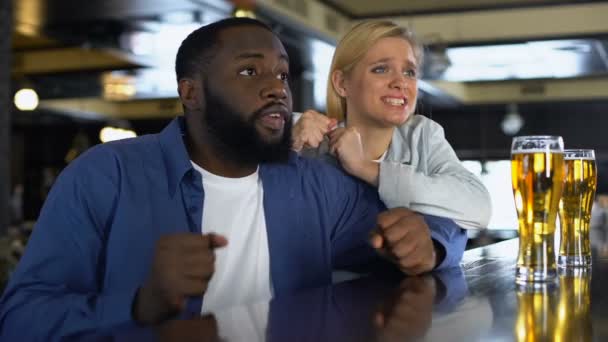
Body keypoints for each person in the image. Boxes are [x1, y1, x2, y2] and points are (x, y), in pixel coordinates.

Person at [0, 18, 467, 340]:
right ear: (191, 92)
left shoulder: (313, 186)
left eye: (282, 74)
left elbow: (419, 237)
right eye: (249, 71)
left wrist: (429, 243)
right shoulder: (106, 175)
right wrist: (141, 305)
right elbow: (20, 321)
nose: (276, 87)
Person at [292, 20, 491, 230]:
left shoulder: (421, 136)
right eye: (381, 69)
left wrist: (365, 168)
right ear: (342, 84)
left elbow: (479, 208)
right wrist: (287, 139)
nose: (400, 82)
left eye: (409, 72)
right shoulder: (308, 138)